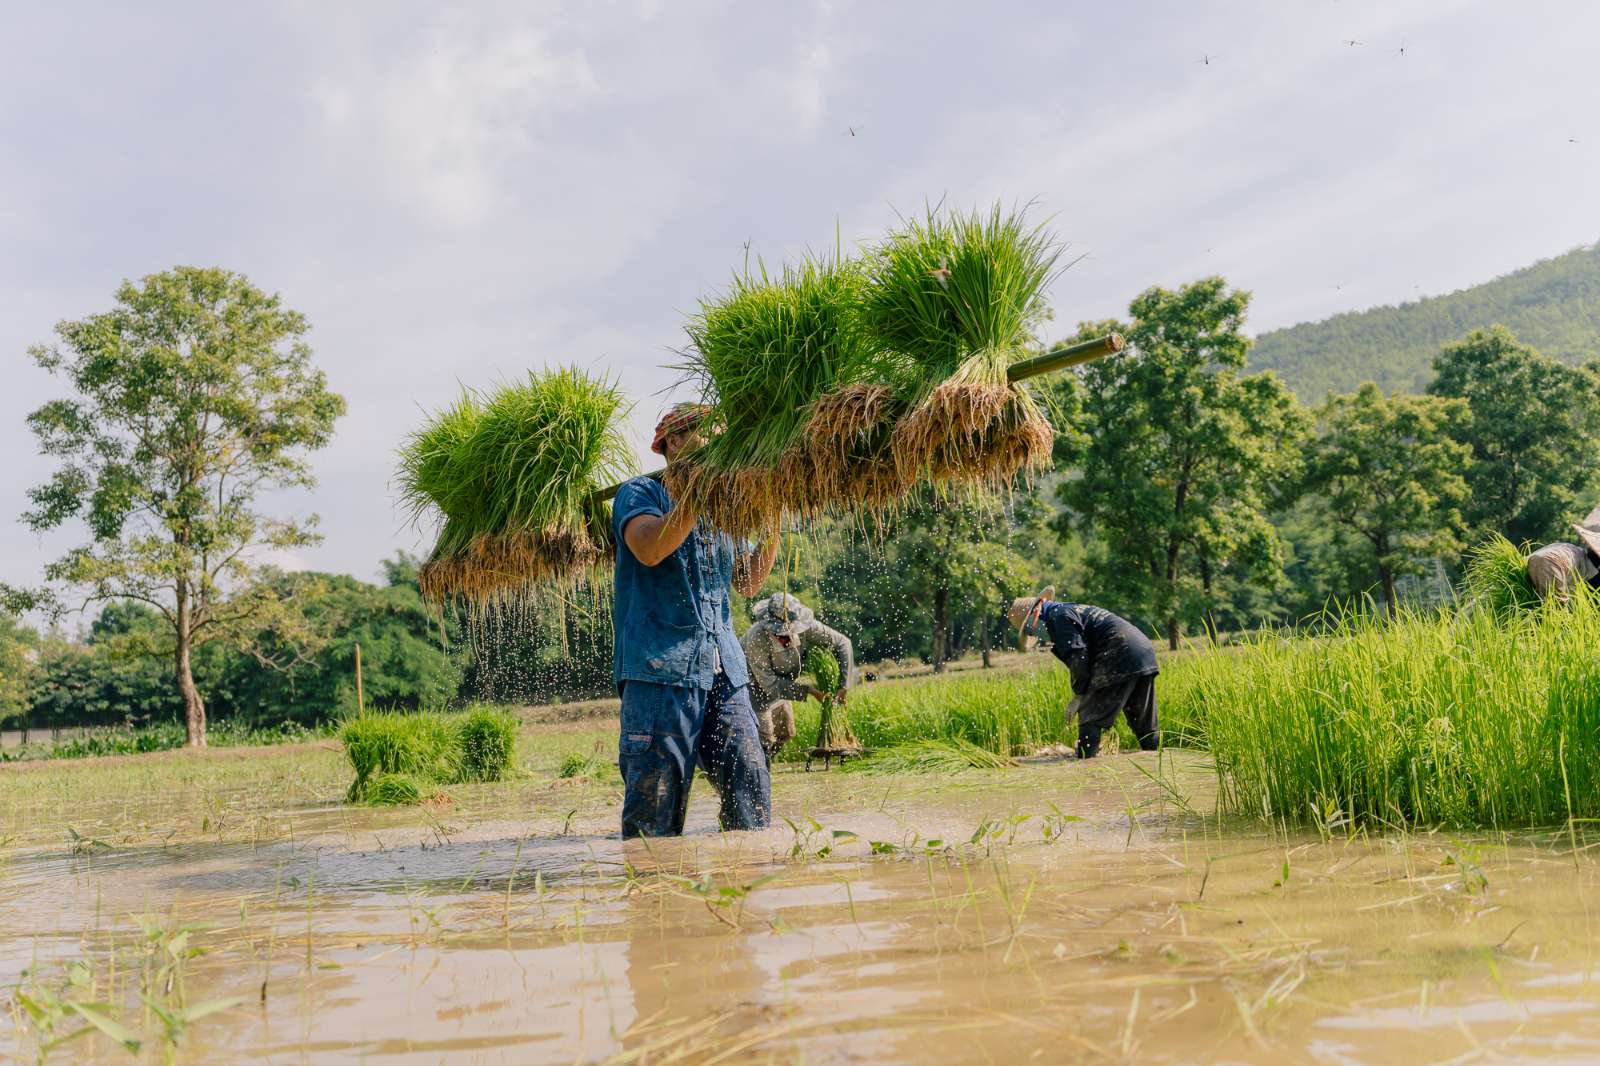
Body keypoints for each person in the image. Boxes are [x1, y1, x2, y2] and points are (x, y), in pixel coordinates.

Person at [611, 403, 779, 838]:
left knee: (750, 787)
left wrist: (775, 519)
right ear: (673, 443)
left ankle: (743, 886)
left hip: (724, 668)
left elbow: (746, 581)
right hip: (660, 672)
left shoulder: (722, 507)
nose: (713, 445)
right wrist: (697, 492)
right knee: (655, 813)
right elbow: (650, 548)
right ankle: (652, 898)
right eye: (702, 434)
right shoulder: (640, 494)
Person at [1006, 586, 1159, 759]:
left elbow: (1078, 657)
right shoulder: (1068, 610)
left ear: (1036, 616)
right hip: (1143, 651)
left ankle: (1086, 768)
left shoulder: (1057, 618)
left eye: (1030, 630)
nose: (1036, 635)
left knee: (1089, 717)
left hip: (1118, 651)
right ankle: (1155, 763)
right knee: (1144, 723)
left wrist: (1080, 696)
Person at [741, 592, 855, 759]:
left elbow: (843, 643)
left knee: (786, 732)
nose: (786, 636)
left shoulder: (804, 627)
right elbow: (769, 684)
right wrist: (809, 691)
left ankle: (764, 764)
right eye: (780, 633)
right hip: (752, 686)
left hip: (782, 683)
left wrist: (844, 685)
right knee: (764, 736)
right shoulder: (756, 638)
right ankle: (756, 770)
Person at [1526, 506, 1600, 602]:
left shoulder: (1573, 549)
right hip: (1550, 564)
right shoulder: (1587, 567)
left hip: (1536, 561)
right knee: (1556, 609)